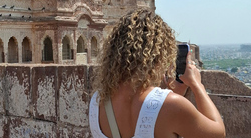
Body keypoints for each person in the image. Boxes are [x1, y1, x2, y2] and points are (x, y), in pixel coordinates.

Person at [89, 8, 226, 138]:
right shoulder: (171, 105)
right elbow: (218, 134)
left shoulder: (97, 101)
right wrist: (197, 84)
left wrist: (172, 95)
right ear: (159, 55)